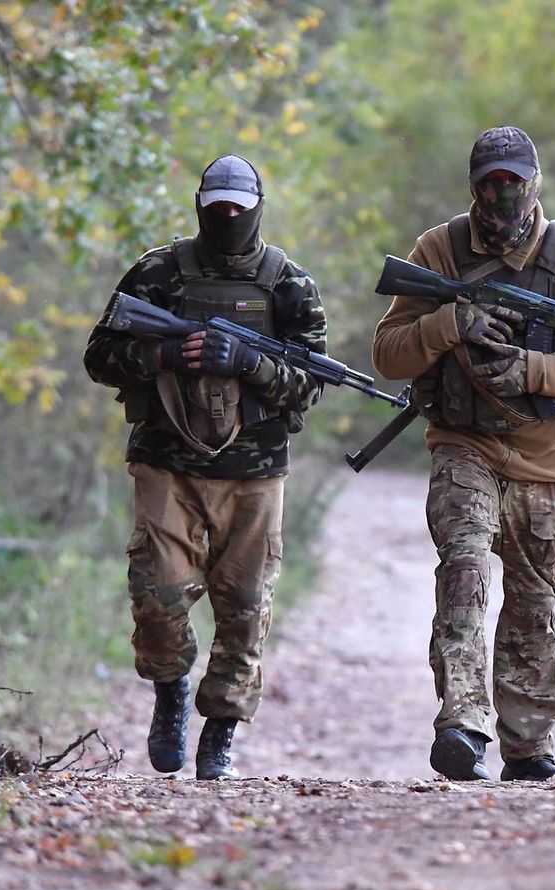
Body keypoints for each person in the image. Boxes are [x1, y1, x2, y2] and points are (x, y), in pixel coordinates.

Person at [372, 126, 555, 781]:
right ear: (473, 186)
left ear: (535, 182)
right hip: (465, 446)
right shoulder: (439, 250)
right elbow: (386, 355)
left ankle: (527, 748)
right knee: (463, 571)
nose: (502, 195)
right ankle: (463, 723)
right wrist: (447, 325)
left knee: (532, 606)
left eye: (513, 182)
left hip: (548, 461)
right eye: (490, 183)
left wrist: (531, 370)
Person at [84, 154, 327, 780]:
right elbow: (100, 355)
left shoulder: (288, 285)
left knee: (245, 606)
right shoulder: (158, 273)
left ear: (256, 209)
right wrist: (164, 352)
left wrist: (250, 364)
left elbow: (313, 382)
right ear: (198, 205)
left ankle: (219, 731)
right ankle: (170, 695)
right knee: (158, 594)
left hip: (256, 471)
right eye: (215, 208)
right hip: (167, 461)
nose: (225, 218)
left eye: (236, 211)